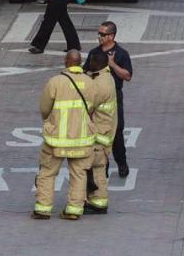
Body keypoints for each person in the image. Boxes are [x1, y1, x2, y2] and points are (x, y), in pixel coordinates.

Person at [33, 49, 97, 220]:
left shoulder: (55, 82)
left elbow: (45, 108)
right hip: (81, 139)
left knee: (47, 172)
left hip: (56, 140)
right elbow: (92, 107)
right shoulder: (90, 82)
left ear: (66, 62)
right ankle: (74, 210)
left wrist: (48, 121)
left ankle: (43, 208)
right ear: (80, 62)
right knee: (79, 173)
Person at [86, 21, 133, 178]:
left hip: (114, 97)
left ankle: (122, 163)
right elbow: (85, 72)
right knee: (97, 133)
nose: (99, 37)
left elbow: (127, 76)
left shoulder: (121, 53)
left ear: (111, 36)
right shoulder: (94, 52)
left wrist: (112, 64)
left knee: (117, 131)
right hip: (96, 98)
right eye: (99, 34)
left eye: (103, 34)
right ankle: (102, 165)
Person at [84, 52, 117, 215]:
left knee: (97, 168)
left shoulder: (100, 84)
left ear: (98, 63)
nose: (88, 63)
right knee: (96, 167)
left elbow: (88, 105)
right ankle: (95, 199)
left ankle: (99, 202)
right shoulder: (105, 77)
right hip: (104, 131)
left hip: (99, 133)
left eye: (91, 60)